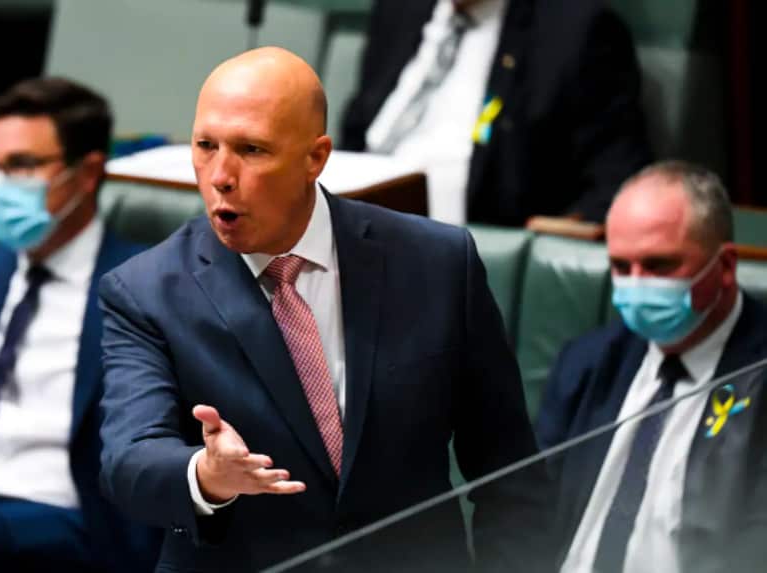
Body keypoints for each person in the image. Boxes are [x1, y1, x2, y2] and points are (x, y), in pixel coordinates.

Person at [98, 47, 541, 571]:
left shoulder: (438, 264)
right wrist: (206, 475)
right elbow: (128, 459)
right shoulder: (145, 291)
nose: (220, 174)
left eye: (252, 150)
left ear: (316, 156)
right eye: (205, 145)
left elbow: (511, 476)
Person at [0, 77, 158, 572]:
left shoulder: (144, 289)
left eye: (21, 166)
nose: (0, 186)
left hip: (60, 519)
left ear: (86, 174)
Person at [536, 161, 767, 572]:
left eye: (659, 265)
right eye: (621, 267)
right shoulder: (587, 363)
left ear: (726, 266)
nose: (637, 284)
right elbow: (532, 511)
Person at [341, 0, 652, 226]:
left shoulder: (575, 31)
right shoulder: (400, 10)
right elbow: (357, 127)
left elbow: (616, 179)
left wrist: (563, 227)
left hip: (461, 243)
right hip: (355, 219)